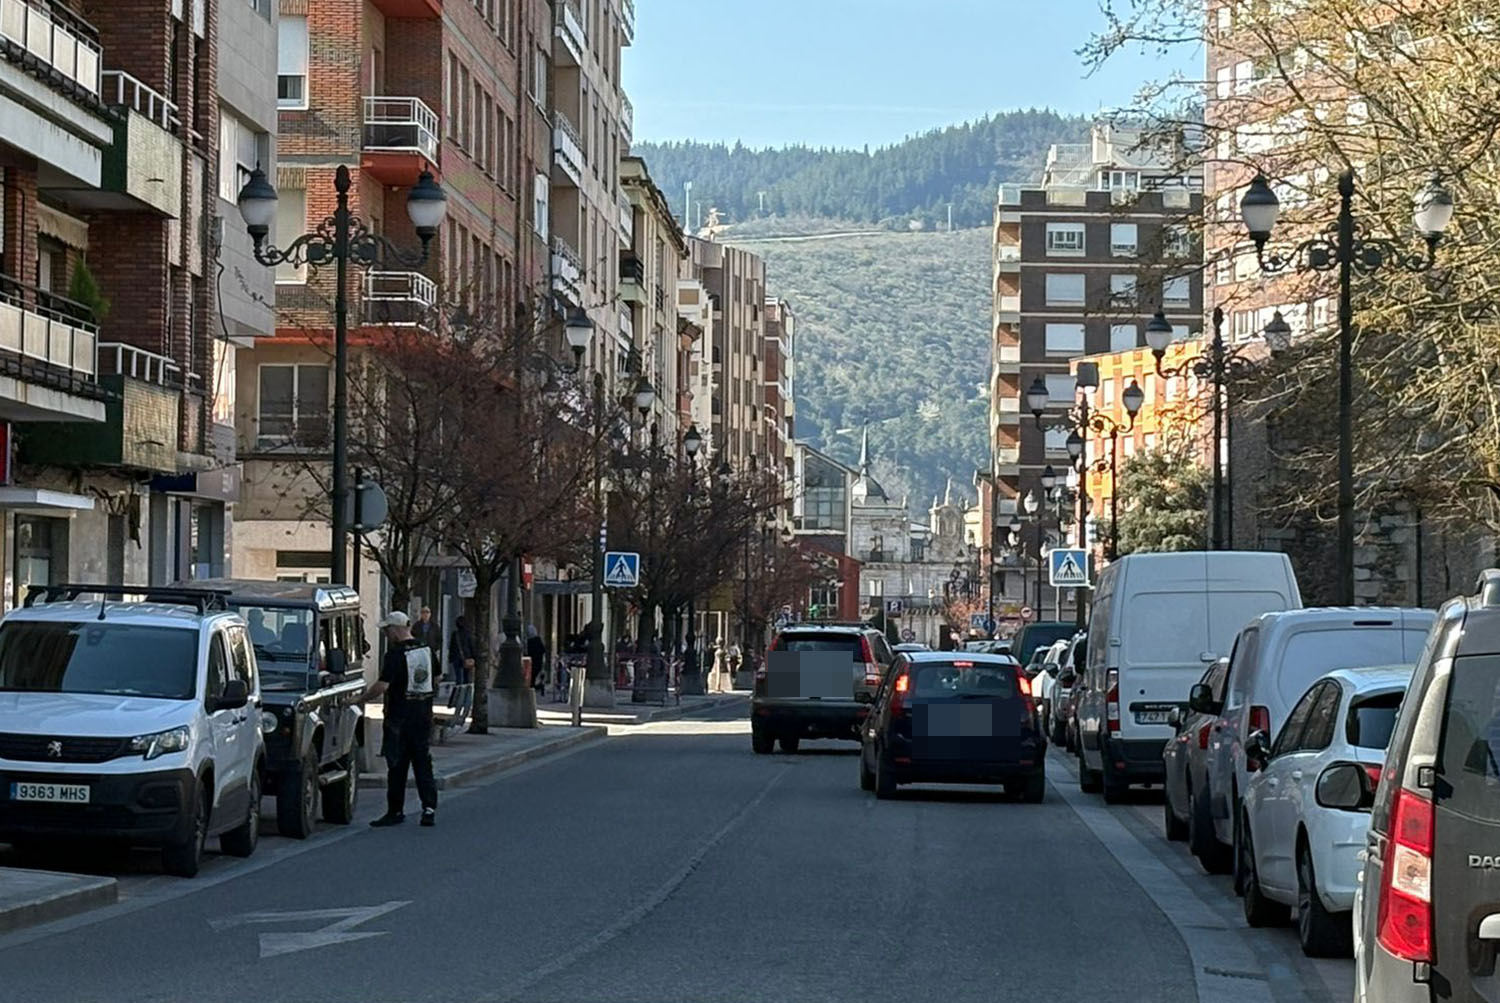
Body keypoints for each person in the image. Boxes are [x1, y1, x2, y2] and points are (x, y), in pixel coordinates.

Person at [363, 611, 440, 828]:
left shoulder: (395, 654)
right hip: (423, 715)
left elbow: (383, 685)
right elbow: (437, 676)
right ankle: (429, 808)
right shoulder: (426, 649)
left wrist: (361, 699)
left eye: (388, 630)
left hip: (399, 717)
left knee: (397, 766)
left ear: (396, 629)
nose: (387, 635)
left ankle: (395, 810)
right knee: (423, 763)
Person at [448, 616, 477, 687]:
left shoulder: (455, 634)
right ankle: (465, 692)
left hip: (456, 657)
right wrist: (474, 657)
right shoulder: (468, 634)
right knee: (466, 677)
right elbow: (472, 646)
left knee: (458, 677)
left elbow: (452, 646)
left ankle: (458, 692)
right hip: (467, 657)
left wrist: (450, 658)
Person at [526, 625, 547, 696]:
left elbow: (528, 652)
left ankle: (534, 689)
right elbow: (543, 651)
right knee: (535, 676)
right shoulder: (538, 640)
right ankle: (539, 687)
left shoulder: (529, 641)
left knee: (532, 677)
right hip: (538, 661)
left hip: (532, 662)